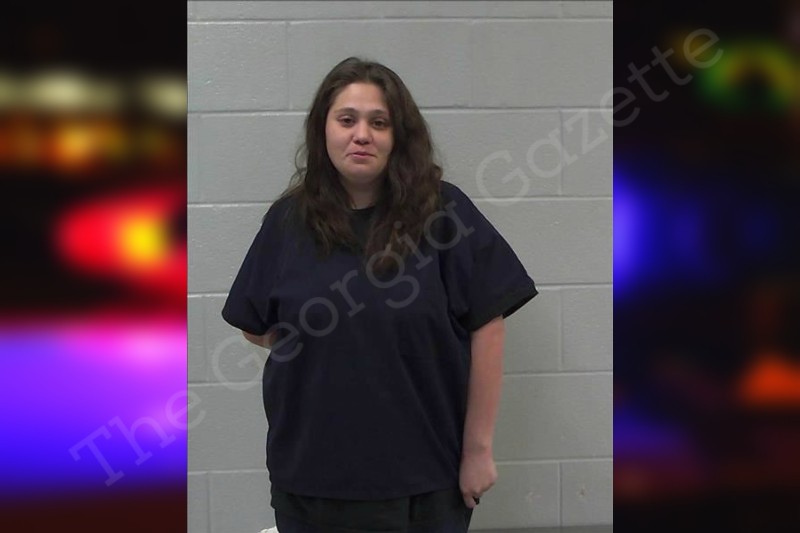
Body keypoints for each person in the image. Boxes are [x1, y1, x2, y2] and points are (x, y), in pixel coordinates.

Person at [221, 57, 538, 533]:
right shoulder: (288, 221)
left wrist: (478, 451)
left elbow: (488, 327)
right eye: (347, 119)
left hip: (424, 482)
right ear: (323, 130)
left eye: (379, 122)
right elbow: (254, 323)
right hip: (310, 481)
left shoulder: (444, 214)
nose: (362, 134)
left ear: (398, 136)